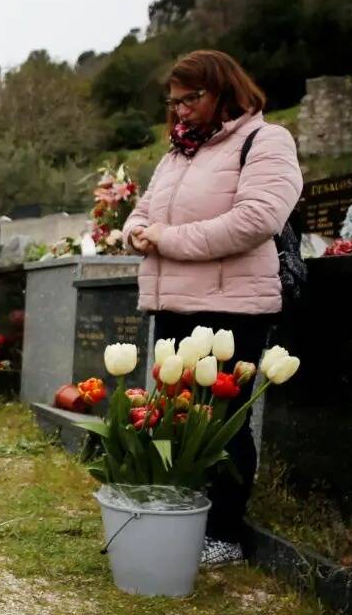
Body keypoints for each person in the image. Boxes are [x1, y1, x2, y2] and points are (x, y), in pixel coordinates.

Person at [123, 48, 303, 568]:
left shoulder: (266, 141)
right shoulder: (176, 154)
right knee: (176, 416)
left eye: (192, 99)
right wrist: (136, 231)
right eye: (174, 102)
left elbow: (257, 219)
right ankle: (180, 518)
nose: (180, 112)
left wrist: (165, 238)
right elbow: (142, 211)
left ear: (226, 90)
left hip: (231, 308)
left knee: (222, 421)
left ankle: (224, 533)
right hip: (173, 301)